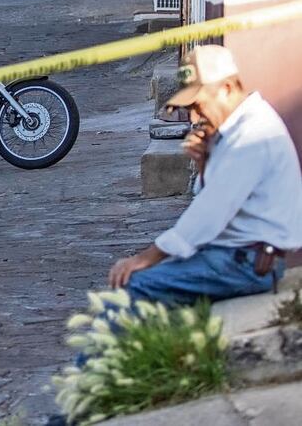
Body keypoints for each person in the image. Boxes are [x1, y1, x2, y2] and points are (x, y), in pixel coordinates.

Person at [107, 45, 302, 306]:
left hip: (246, 263)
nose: (195, 115)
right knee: (140, 284)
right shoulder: (234, 129)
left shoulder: (252, 135)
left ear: (226, 89)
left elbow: (209, 213)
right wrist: (204, 163)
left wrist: (147, 257)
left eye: (199, 104)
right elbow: (209, 197)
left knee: (133, 287)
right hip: (231, 254)